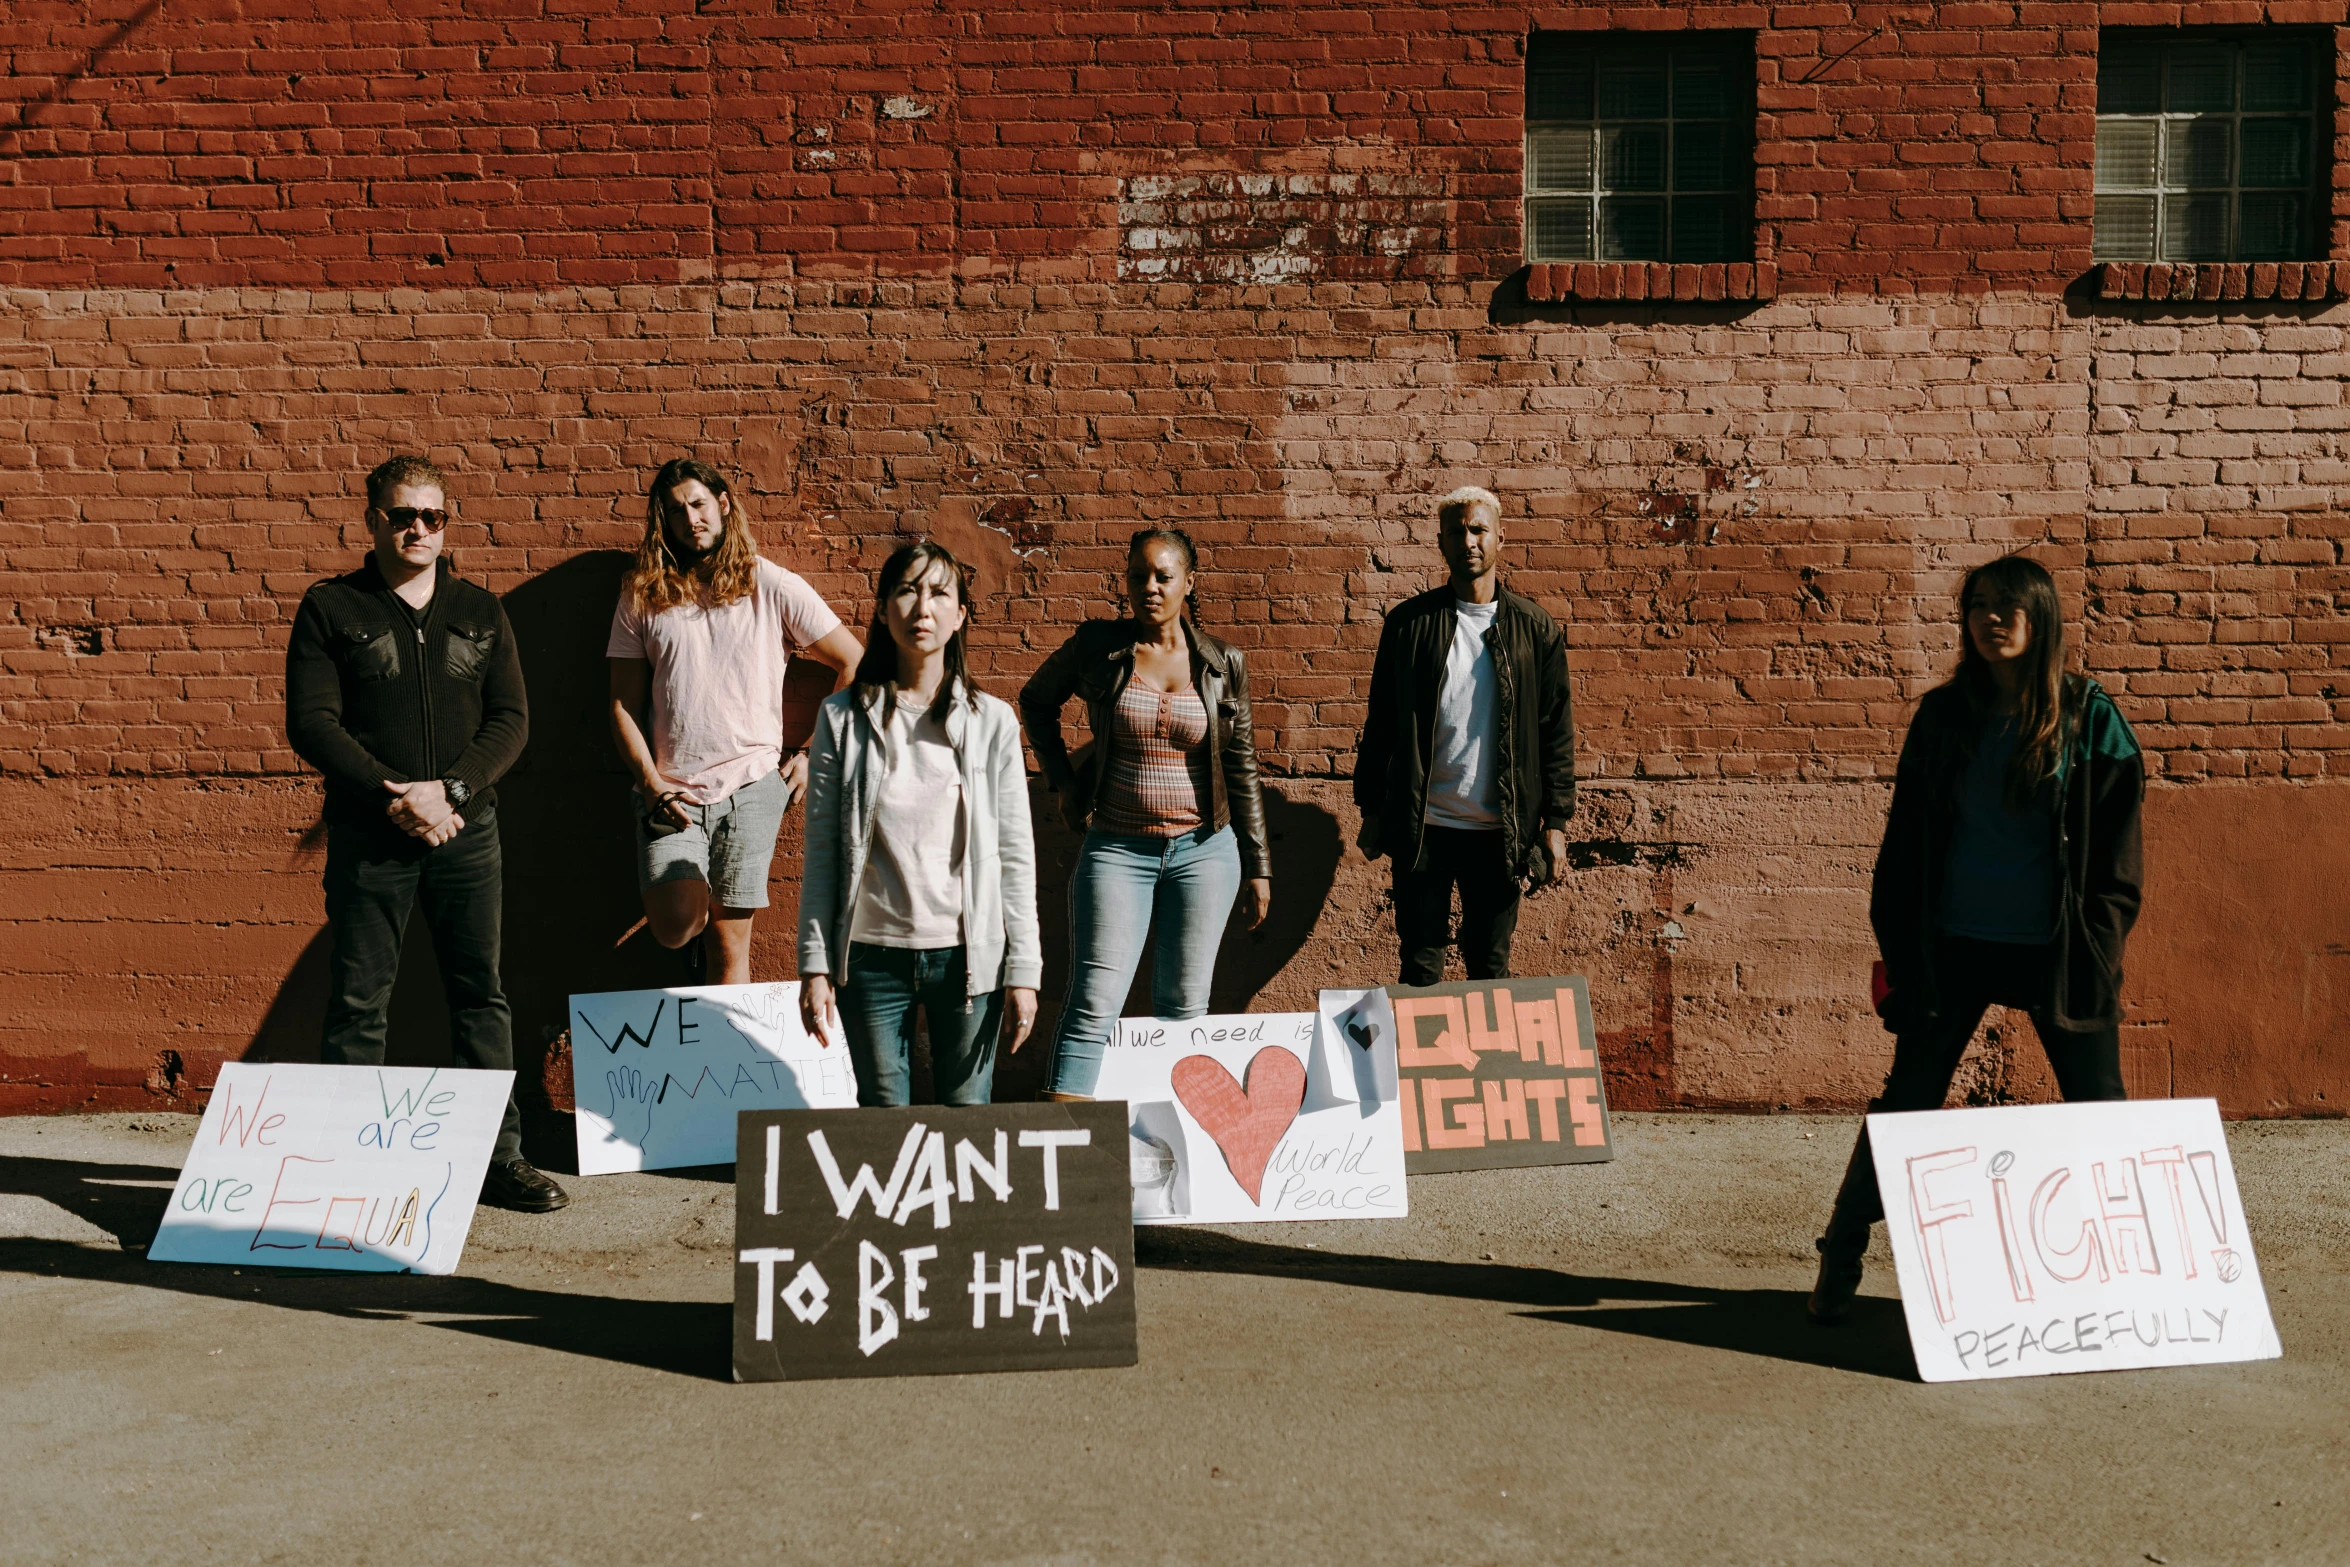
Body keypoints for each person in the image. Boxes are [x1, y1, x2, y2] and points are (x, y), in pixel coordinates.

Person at [1809, 553, 2146, 1324]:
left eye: (2009, 605)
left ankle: (2134, 1279)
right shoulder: (1942, 718)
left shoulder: (2090, 715)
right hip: (1953, 945)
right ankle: (1842, 1246)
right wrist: (1901, 946)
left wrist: (2098, 942)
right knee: (1907, 1105)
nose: (1992, 619)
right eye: (1979, 606)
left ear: (2043, 616)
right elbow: (1903, 848)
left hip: (2057, 952)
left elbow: (2118, 858)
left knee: (2101, 1109)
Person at [284, 455, 566, 1213]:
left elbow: (512, 720)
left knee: (480, 994)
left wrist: (453, 792)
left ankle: (498, 1158)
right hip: (370, 836)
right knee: (357, 999)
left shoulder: (480, 609)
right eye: (403, 515)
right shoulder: (331, 608)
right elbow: (312, 721)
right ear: (372, 518)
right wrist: (395, 797)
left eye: (432, 517)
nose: (418, 529)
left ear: (448, 526)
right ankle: (341, 1167)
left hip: (466, 835)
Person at [1019, 528, 1272, 1099]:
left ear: (1189, 583)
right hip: (1116, 847)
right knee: (1093, 1003)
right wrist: (1062, 782)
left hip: (1206, 852)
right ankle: (1066, 1156)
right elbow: (1036, 700)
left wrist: (1258, 865)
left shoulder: (1222, 662)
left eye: (1163, 576)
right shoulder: (1098, 648)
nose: (1149, 587)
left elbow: (1242, 766)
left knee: (1185, 1011)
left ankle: (1176, 1147)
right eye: (1138, 576)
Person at [796, 543, 1040, 1105]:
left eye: (939, 593)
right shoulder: (842, 717)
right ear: (882, 610)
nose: (921, 608)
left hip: (968, 957)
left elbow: (1014, 853)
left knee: (967, 1120)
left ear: (960, 616)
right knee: (884, 1122)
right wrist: (814, 965)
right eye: (906, 590)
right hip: (871, 956)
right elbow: (825, 850)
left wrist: (1023, 968)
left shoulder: (993, 722)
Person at [607, 458, 862, 984]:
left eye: (699, 504)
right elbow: (622, 706)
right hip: (670, 792)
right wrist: (651, 787)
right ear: (664, 521)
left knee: (731, 944)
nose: (690, 518)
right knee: (677, 924)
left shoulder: (768, 582)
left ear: (723, 505)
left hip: (751, 784)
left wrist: (813, 753)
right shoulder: (643, 591)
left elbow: (853, 663)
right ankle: (692, 923)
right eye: (677, 510)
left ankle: (725, 1061)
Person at [1355, 486, 1575, 985]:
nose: (1468, 541)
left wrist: (1555, 823)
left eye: (1478, 530)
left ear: (1501, 536)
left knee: (1490, 968)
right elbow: (1382, 722)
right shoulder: (1409, 625)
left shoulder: (1534, 629)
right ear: (1441, 542)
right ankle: (1419, 1066)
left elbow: (1555, 730)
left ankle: (1487, 1065)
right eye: (1457, 532)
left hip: (1500, 834)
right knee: (1419, 967)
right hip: (1423, 829)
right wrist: (1371, 808)